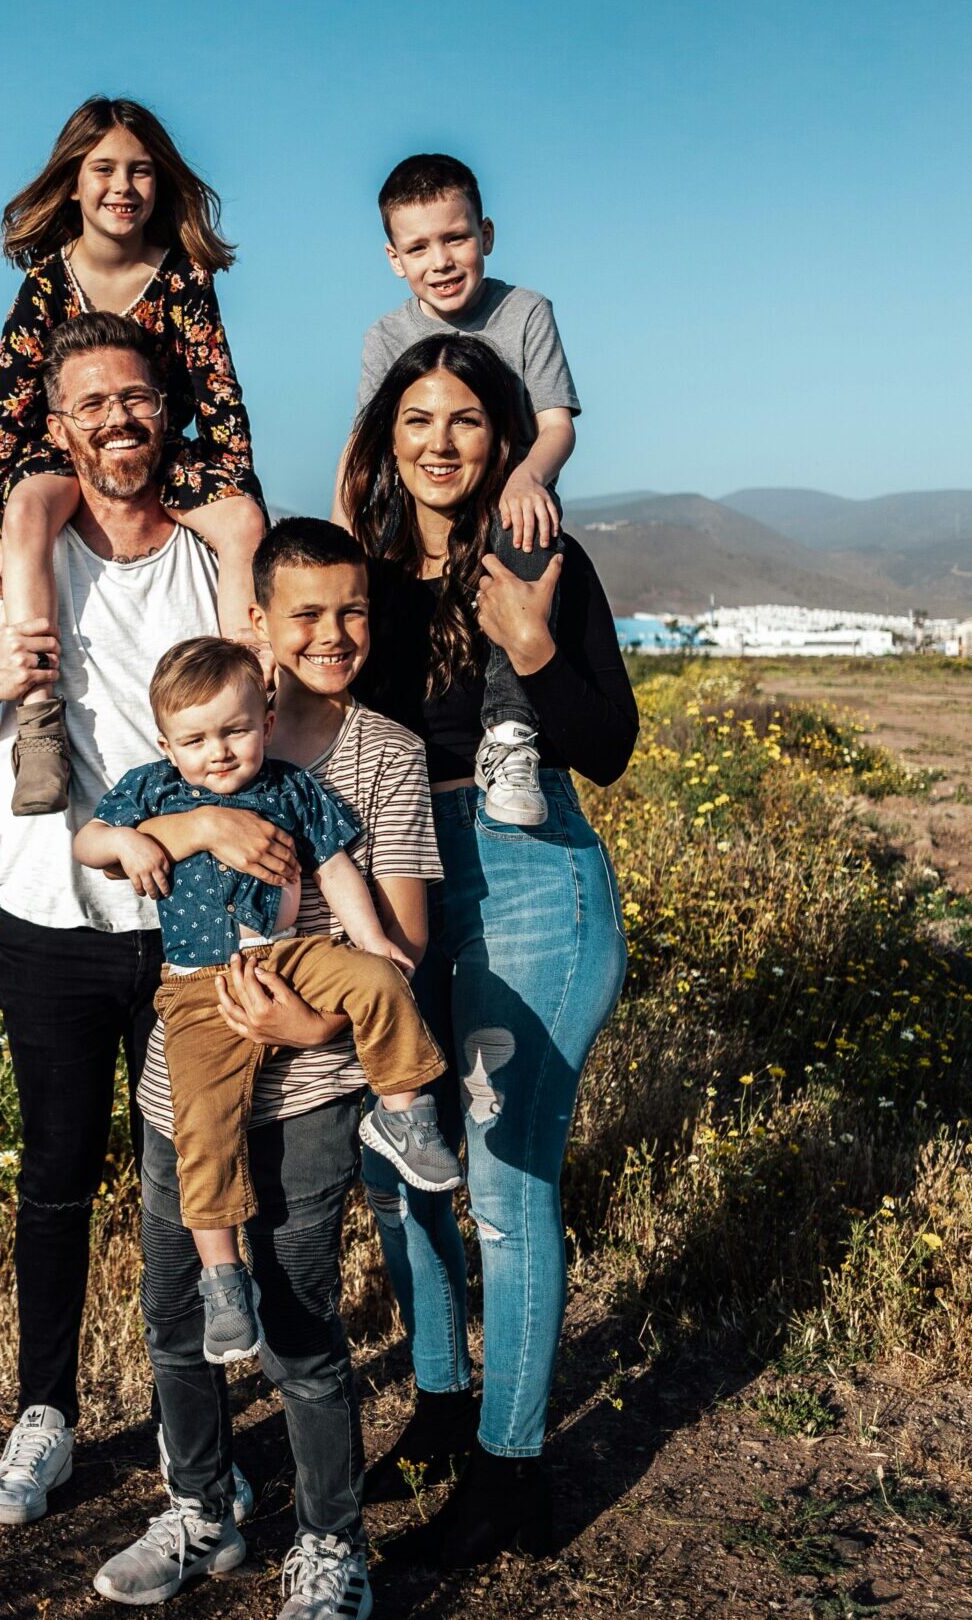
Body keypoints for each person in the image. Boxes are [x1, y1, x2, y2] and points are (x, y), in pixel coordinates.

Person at [0, 310, 254, 1532]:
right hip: (50, 915)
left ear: (170, 413)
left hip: (192, 925)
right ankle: (42, 1415)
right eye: (91, 403)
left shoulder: (211, 559)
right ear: (57, 427)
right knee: (54, 1178)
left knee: (183, 1181)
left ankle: (185, 1427)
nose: (117, 420)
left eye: (137, 399)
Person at [90, 519, 442, 1620]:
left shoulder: (379, 754)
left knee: (300, 1320)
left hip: (315, 1084)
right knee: (178, 1310)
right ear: (258, 625)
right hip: (181, 1073)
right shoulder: (193, 737)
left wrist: (312, 1029)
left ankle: (333, 1543)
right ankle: (202, 1509)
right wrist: (192, 825)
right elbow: (109, 844)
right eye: (306, 614)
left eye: (354, 613)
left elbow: (397, 933)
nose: (333, 635)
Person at [341, 333, 635, 1569]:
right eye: (417, 419)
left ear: (503, 438)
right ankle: (443, 1406)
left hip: (530, 879)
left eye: (466, 419)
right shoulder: (360, 572)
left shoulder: (542, 559)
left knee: (508, 1192)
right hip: (402, 873)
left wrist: (526, 635)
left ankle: (515, 1474)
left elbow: (606, 741)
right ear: (385, 438)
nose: (441, 442)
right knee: (402, 1163)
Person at [74, 636, 455, 1368]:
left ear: (266, 720)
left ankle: (405, 1116)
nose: (217, 752)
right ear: (165, 743)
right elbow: (87, 842)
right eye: (195, 739)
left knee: (381, 983)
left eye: (235, 730)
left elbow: (336, 868)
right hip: (197, 986)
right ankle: (222, 1278)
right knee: (202, 1125)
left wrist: (374, 941)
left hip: (293, 957)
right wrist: (127, 845)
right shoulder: (152, 790)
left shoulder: (290, 788)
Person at [0, 96, 266, 817]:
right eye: (103, 169)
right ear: (73, 181)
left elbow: (217, 392)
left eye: (139, 171)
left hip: (166, 450)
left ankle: (251, 689)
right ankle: (40, 721)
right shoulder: (43, 284)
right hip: (65, 453)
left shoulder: (184, 276)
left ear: (159, 183)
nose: (121, 187)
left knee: (244, 524)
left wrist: (235, 491)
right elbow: (6, 410)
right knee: (28, 506)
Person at [333, 153, 581, 828]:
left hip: (506, 508)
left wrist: (528, 474)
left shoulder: (525, 311)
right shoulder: (386, 336)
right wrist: (337, 540)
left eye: (455, 238)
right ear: (393, 258)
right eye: (418, 247)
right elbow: (362, 447)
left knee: (525, 526)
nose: (439, 260)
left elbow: (555, 425)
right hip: (418, 515)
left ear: (486, 235)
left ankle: (508, 736)